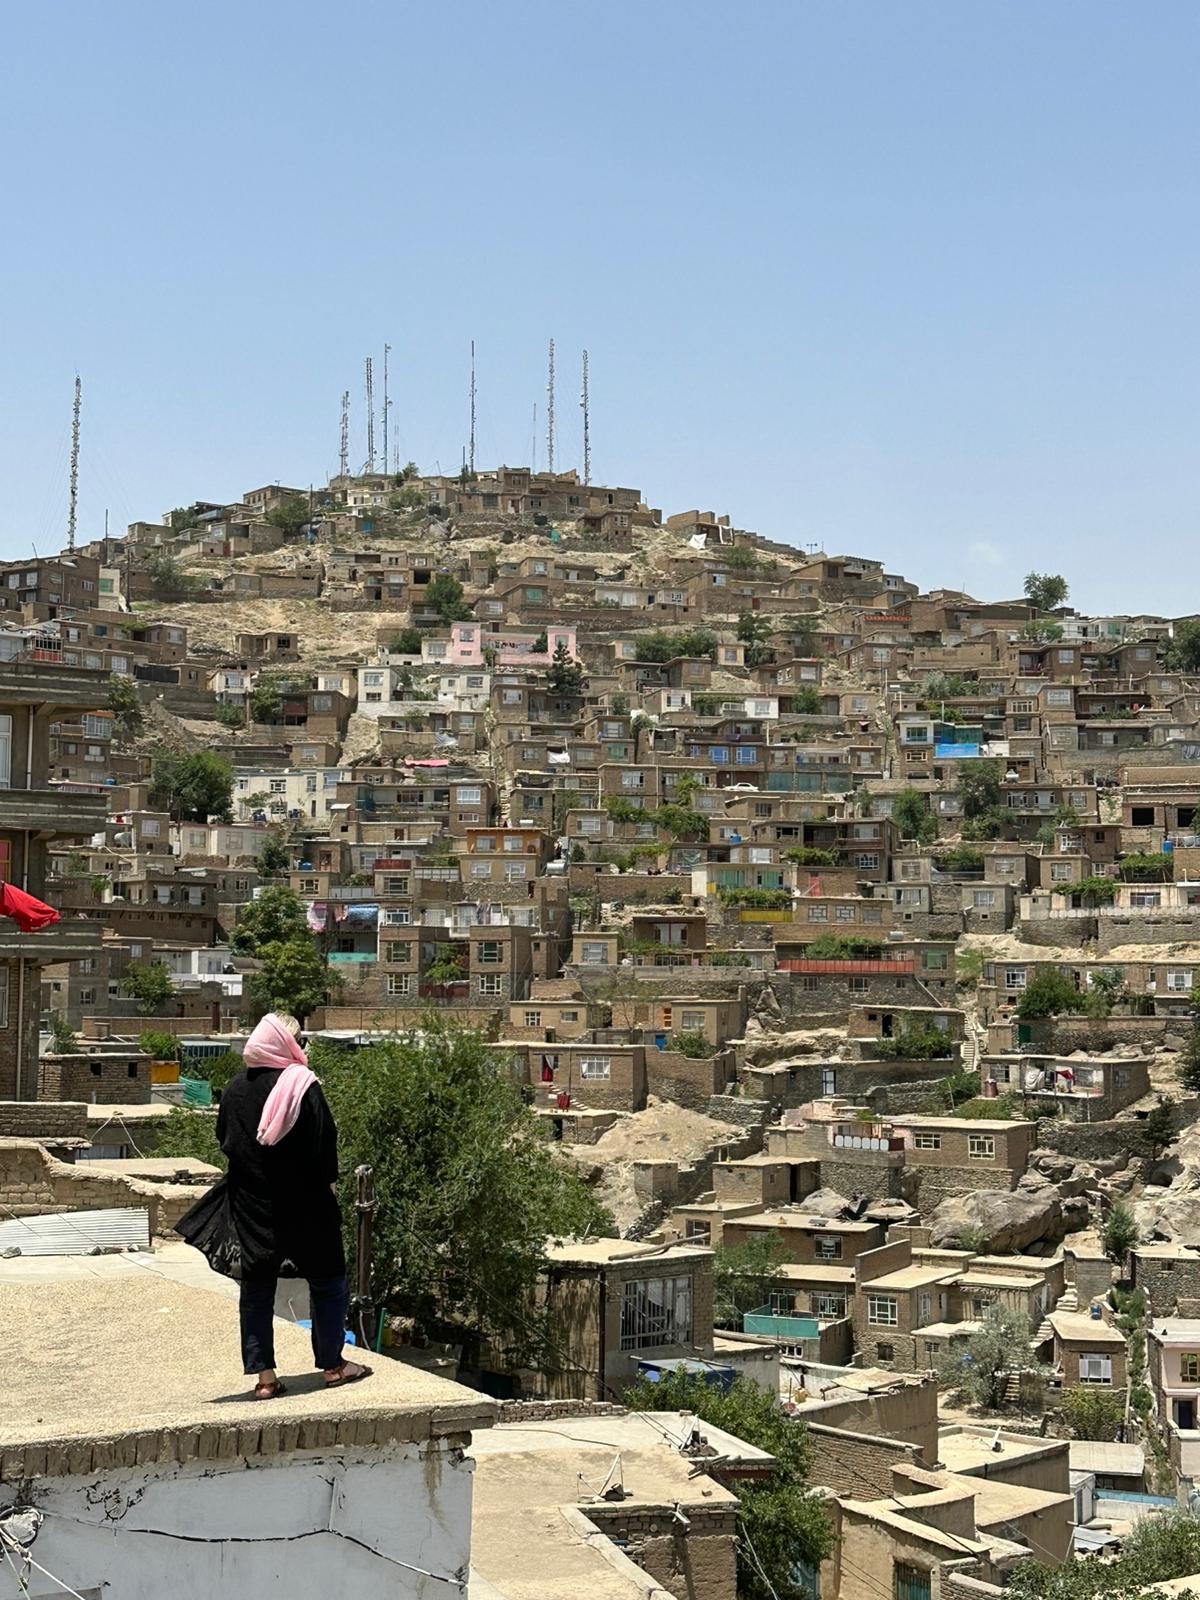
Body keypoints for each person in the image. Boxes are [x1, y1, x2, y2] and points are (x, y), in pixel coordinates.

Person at [212, 1012, 371, 1400]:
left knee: (256, 1289)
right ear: (287, 1044)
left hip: (252, 1206)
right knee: (328, 1282)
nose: (302, 1048)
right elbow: (324, 1144)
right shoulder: (302, 1086)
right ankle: (333, 1365)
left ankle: (265, 1379)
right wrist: (328, 1189)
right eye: (299, 1041)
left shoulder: (234, 1089)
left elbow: (225, 1139)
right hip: (306, 1204)